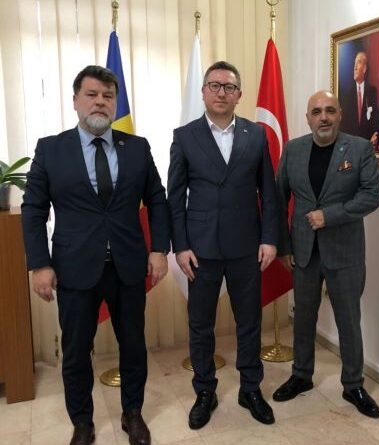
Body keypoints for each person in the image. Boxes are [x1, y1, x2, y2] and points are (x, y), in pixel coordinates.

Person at [22, 65, 170, 445]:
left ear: (115, 103)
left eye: (108, 95)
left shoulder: (137, 147)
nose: (100, 101)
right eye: (92, 94)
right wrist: (39, 264)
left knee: (133, 345)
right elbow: (34, 209)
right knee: (75, 352)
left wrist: (159, 249)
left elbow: (157, 199)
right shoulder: (50, 149)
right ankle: (82, 422)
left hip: (128, 266)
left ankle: (132, 413)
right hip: (74, 268)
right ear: (75, 101)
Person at [167, 61, 278, 429]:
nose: (221, 92)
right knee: (201, 325)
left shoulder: (256, 135)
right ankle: (204, 391)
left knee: (250, 321)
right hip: (200, 250)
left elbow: (269, 192)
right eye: (214, 85)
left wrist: (269, 238)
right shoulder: (185, 136)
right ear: (203, 92)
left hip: (247, 246)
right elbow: (174, 197)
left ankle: (251, 388)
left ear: (239, 95)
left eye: (229, 87)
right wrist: (180, 246)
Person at [273, 91, 379, 419]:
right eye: (317, 111)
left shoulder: (359, 149)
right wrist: (284, 247)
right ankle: (301, 376)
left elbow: (372, 195)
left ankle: (353, 385)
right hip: (303, 252)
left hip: (345, 253)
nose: (324, 117)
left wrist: (329, 215)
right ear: (308, 118)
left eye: (330, 111)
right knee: (303, 318)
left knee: (348, 321)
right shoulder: (293, 150)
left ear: (340, 115)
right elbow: (278, 201)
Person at [340, 51, 379, 150]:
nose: (354, 67)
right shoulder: (346, 94)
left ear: (365, 68)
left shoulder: (372, 91)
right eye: (354, 64)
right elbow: (343, 125)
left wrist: (375, 136)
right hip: (350, 147)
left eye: (358, 62)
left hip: (367, 146)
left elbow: (375, 119)